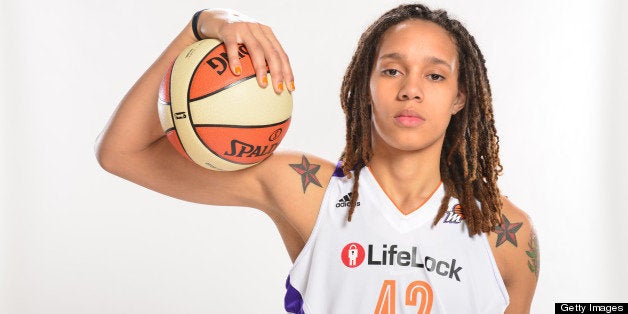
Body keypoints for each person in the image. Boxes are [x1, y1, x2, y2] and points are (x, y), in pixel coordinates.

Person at [96, 3, 539, 313]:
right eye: (391, 69)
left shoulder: (506, 236)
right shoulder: (309, 191)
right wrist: (202, 24)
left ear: (461, 96)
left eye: (435, 75)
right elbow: (123, 153)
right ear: (364, 85)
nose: (411, 89)